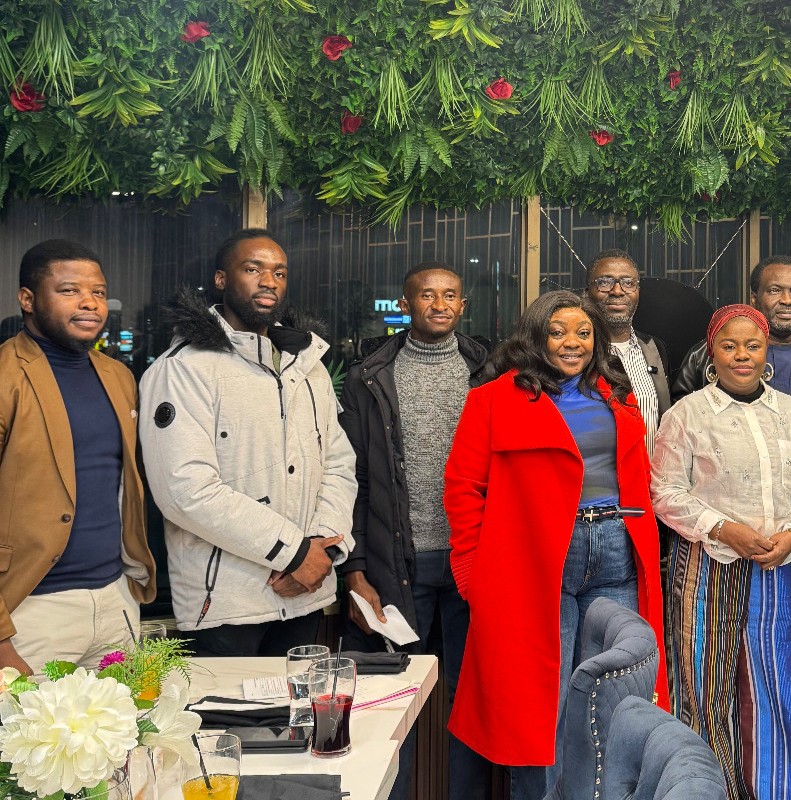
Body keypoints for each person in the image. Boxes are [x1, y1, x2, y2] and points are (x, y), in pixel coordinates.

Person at [443, 291, 669, 800]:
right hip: (535, 560)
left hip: (615, 548)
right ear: (536, 337)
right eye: (558, 331)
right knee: (542, 701)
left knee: (614, 692)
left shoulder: (617, 394)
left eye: (583, 333)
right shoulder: (493, 399)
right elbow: (462, 487)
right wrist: (473, 571)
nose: (573, 342)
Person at [139, 229, 356, 657]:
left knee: (299, 703)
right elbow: (186, 491)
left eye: (279, 272)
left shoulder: (307, 365)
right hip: (225, 602)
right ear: (221, 279)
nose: (269, 281)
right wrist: (295, 553)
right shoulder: (184, 368)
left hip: (305, 591)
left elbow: (338, 464)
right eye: (253, 269)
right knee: (227, 705)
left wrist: (322, 550)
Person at [650, 304, 791, 799]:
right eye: (729, 346)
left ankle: (779, 790)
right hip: (706, 568)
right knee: (704, 689)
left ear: (766, 352)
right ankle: (708, 790)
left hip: (778, 569)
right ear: (711, 352)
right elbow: (664, 492)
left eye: (752, 346)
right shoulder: (687, 414)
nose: (742, 355)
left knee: (777, 686)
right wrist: (723, 528)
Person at [338, 262, 491, 800]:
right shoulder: (369, 376)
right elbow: (354, 478)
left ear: (463, 305)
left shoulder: (490, 372)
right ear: (405, 304)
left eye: (450, 296)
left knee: (473, 697)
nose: (440, 305)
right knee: (389, 701)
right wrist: (355, 569)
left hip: (473, 562)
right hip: (396, 563)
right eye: (428, 295)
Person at [0, 240, 155, 674]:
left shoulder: (118, 376)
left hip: (115, 599)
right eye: (69, 290)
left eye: (99, 292)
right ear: (27, 299)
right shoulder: (5, 377)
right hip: (31, 610)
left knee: (128, 717)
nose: (90, 303)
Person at [673, 254, 791, 403]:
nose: (787, 300)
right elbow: (681, 411)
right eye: (775, 290)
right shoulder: (703, 356)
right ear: (754, 299)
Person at [584, 249, 671, 453]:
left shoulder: (654, 349)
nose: (617, 290)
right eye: (604, 282)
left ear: (637, 291)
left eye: (628, 282)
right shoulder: (579, 353)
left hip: (653, 471)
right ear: (587, 292)